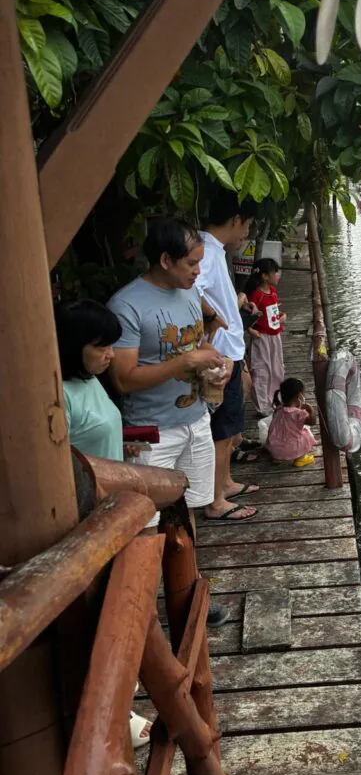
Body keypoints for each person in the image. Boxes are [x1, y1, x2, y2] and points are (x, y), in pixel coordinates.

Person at [107, 217, 231, 625]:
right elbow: (124, 379)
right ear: (165, 259)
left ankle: (187, 593)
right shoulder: (127, 305)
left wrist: (215, 367)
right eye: (192, 263)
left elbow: (197, 347)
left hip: (195, 418)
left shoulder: (189, 293)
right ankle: (140, 613)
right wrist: (187, 360)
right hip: (151, 432)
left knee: (187, 513)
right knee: (147, 524)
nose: (199, 271)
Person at [54, 298, 152, 748]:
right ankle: (116, 718)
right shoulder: (59, 398)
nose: (111, 354)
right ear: (76, 346)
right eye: (101, 346)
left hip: (112, 507)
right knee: (97, 614)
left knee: (118, 605)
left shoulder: (89, 382)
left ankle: (123, 690)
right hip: (83, 517)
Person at [196, 191, 260, 522]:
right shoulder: (205, 252)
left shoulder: (213, 251)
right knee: (221, 431)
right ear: (235, 220)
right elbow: (191, 290)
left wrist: (232, 304)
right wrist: (214, 319)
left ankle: (225, 483)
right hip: (221, 353)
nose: (246, 232)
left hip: (229, 350)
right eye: (247, 224)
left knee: (228, 426)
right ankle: (215, 499)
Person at [246, 257, 286, 418]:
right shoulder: (256, 296)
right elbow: (244, 316)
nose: (278, 275)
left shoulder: (273, 292)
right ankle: (262, 406)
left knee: (277, 368)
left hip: (275, 336)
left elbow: (273, 313)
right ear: (264, 276)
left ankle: (275, 400)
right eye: (275, 272)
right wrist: (250, 330)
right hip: (261, 337)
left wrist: (282, 316)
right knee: (261, 370)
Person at [266, 378, 317, 467]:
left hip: (274, 449)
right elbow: (313, 422)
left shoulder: (278, 409)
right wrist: (311, 409)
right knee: (306, 434)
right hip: (291, 449)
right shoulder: (299, 413)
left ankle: (277, 458)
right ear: (299, 396)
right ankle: (300, 459)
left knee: (281, 433)